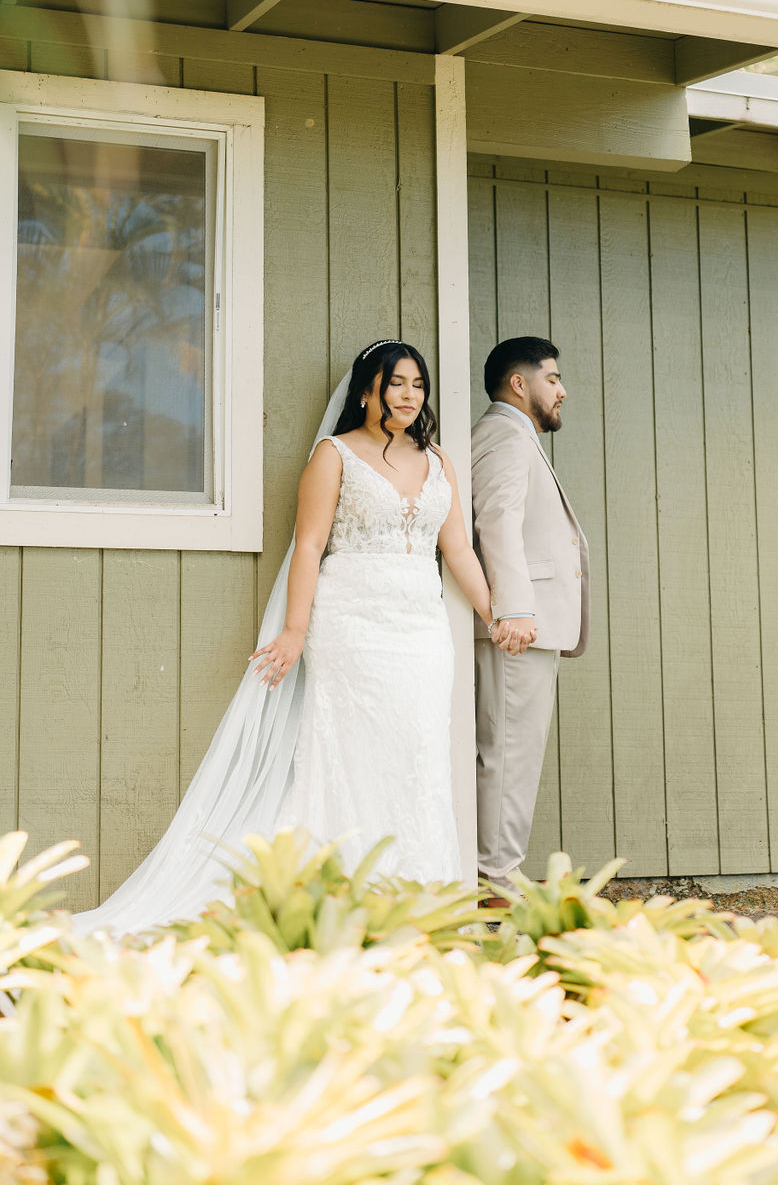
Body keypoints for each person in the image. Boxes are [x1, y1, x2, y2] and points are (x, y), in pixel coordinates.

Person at [76, 339, 511, 935]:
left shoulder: (439, 460)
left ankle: (417, 894)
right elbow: (308, 545)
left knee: (419, 751)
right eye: (397, 383)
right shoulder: (334, 456)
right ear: (368, 390)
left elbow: (456, 548)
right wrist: (294, 631)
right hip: (351, 622)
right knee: (352, 753)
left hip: (421, 628)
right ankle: (338, 894)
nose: (410, 395)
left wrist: (495, 615)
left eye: (418, 384)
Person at [471, 337, 590, 906]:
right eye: (553, 378)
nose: (562, 390)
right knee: (509, 749)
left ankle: (498, 870)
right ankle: (495, 880)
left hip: (528, 622)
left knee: (513, 748)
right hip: (519, 626)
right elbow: (496, 520)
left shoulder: (515, 436)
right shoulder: (502, 433)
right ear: (520, 384)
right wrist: (514, 609)